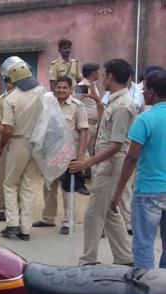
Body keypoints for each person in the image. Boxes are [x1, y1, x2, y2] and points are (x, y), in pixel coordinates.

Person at [69, 58, 135, 266]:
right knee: (109, 213)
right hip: (107, 164)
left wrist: (86, 164)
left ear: (111, 77)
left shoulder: (123, 105)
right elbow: (106, 127)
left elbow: (116, 145)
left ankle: (88, 260)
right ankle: (124, 257)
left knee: (93, 214)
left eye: (105, 75)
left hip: (112, 164)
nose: (102, 78)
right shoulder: (114, 101)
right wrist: (98, 102)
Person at [111, 71, 166, 268]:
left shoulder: (144, 119)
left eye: (144, 90)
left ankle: (145, 289)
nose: (142, 93)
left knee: (143, 244)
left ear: (151, 92)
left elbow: (131, 158)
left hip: (148, 192)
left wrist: (118, 193)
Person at [0, 57, 44, 241]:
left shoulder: (11, 99)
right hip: (36, 142)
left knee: (10, 184)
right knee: (29, 185)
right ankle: (26, 229)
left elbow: (7, 129)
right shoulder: (41, 93)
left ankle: (12, 224)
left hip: (17, 143)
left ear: (12, 79)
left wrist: (1, 145)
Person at [32, 77, 88, 235]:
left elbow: (83, 131)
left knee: (67, 189)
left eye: (65, 88)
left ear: (70, 89)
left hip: (69, 155)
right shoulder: (48, 104)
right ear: (54, 88)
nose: (61, 90)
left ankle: (69, 221)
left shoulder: (78, 106)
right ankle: (48, 218)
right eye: (59, 87)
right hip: (51, 154)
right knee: (49, 186)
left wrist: (80, 155)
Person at [0, 78, 16, 222]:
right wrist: (9, 134)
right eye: (10, 82)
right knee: (3, 175)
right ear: (6, 83)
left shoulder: (23, 98)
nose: (12, 85)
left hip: (20, 143)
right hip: (5, 140)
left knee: (17, 176)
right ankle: (0, 208)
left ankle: (14, 207)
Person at [77, 63, 104, 178]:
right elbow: (75, 102)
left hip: (95, 123)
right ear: (93, 73)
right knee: (83, 150)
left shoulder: (94, 85)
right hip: (86, 123)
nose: (99, 73)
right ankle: (79, 176)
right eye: (98, 71)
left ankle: (87, 175)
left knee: (92, 149)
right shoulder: (82, 86)